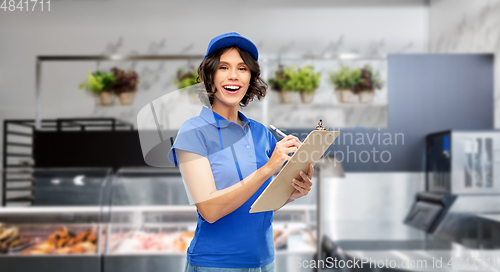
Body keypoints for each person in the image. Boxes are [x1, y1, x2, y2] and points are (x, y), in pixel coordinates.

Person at [167, 32, 314, 272]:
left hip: (264, 262)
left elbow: (262, 203)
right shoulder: (193, 132)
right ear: (211, 76)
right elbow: (210, 210)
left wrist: (293, 192)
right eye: (224, 67)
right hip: (214, 264)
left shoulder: (260, 133)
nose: (233, 75)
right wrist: (268, 168)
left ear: (250, 78)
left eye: (242, 68)